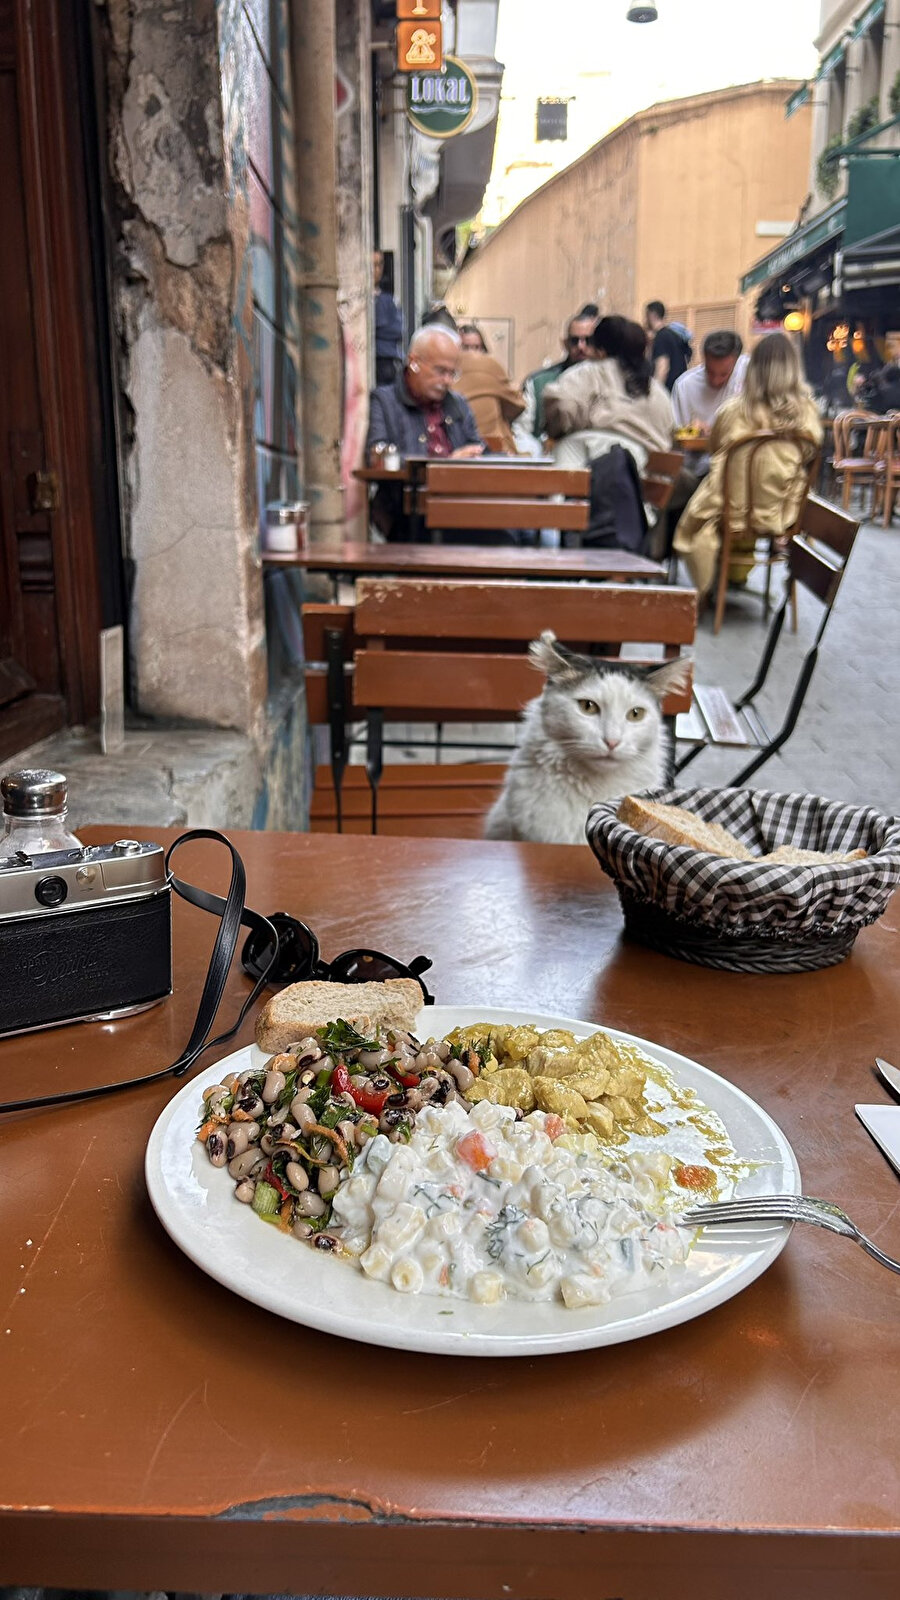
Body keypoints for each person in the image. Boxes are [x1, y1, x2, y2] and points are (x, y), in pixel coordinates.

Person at [672, 331, 823, 598]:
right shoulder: (808, 413)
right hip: (784, 512)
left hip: (734, 511)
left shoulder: (733, 411)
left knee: (697, 505)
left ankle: (707, 585)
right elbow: (811, 453)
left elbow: (715, 448)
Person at [365, 325, 484, 539]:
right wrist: (446, 464)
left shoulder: (458, 404)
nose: (447, 381)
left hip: (461, 508)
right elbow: (376, 457)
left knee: (514, 535)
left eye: (452, 373)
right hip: (406, 513)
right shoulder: (385, 401)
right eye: (440, 371)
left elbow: (478, 449)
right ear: (414, 362)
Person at [541, 314, 674, 471]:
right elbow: (669, 434)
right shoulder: (656, 390)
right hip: (641, 471)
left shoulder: (586, 373)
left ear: (600, 350)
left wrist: (558, 430)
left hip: (583, 460)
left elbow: (562, 405)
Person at [512, 303, 599, 455]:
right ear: (565, 343)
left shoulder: (610, 380)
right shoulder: (539, 382)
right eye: (575, 341)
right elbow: (521, 431)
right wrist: (537, 450)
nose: (581, 346)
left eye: (588, 340)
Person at [455, 324, 524, 454]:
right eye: (466, 348)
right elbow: (518, 404)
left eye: (476, 347)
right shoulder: (490, 366)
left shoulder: (449, 370)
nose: (472, 353)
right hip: (493, 446)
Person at [671, 330, 748, 435]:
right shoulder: (684, 386)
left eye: (724, 374)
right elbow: (677, 432)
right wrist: (691, 430)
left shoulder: (748, 372)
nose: (716, 381)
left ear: (736, 362)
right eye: (710, 372)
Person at [372, 250, 403, 387]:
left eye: (380, 264)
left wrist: (377, 329)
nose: (377, 270)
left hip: (389, 363)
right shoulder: (358, 300)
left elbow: (398, 330)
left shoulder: (388, 299)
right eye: (373, 265)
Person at [645, 300, 691, 392]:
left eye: (646, 316)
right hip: (680, 389)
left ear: (652, 315)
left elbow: (662, 367)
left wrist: (655, 393)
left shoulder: (661, 337)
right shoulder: (675, 335)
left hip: (668, 392)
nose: (645, 320)